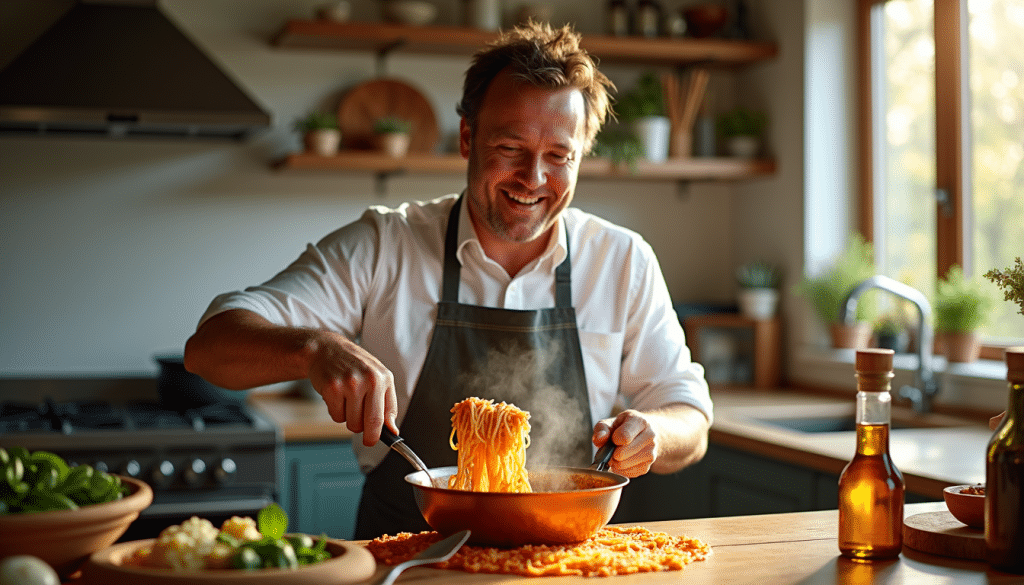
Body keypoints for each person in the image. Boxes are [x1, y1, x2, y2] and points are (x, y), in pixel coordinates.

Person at [184, 21, 712, 540]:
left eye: (559, 156)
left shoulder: (621, 260)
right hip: (408, 558)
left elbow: (689, 415)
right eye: (510, 148)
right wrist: (315, 348)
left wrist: (655, 434)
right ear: (467, 137)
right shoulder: (387, 244)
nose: (534, 178)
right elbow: (208, 349)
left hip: (564, 566)